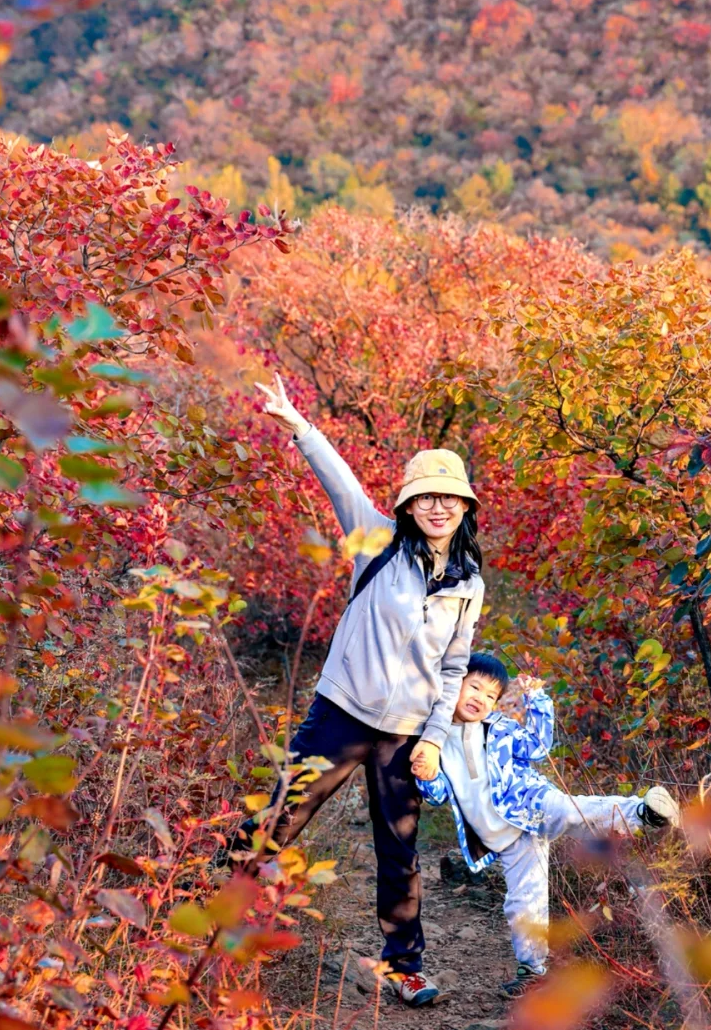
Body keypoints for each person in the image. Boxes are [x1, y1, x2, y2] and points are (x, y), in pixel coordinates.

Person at [233, 374, 485, 1008]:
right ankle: (195, 912)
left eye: (448, 500)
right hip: (340, 715)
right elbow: (338, 478)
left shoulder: (470, 583)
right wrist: (296, 422)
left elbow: (454, 668)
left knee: (399, 848)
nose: (436, 508)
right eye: (425, 498)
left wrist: (432, 737)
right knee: (282, 815)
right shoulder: (374, 540)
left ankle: (405, 966)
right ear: (407, 505)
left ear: (464, 509)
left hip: (405, 733)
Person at [415, 653, 681, 998]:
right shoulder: (435, 741)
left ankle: (643, 813)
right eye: (474, 687)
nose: (480, 698)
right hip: (508, 841)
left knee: (573, 812)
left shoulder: (499, 728)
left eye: (491, 695)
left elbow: (539, 747)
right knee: (524, 902)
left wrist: (536, 699)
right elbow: (437, 795)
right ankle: (533, 969)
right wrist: (426, 773)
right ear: (454, 685)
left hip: (532, 802)